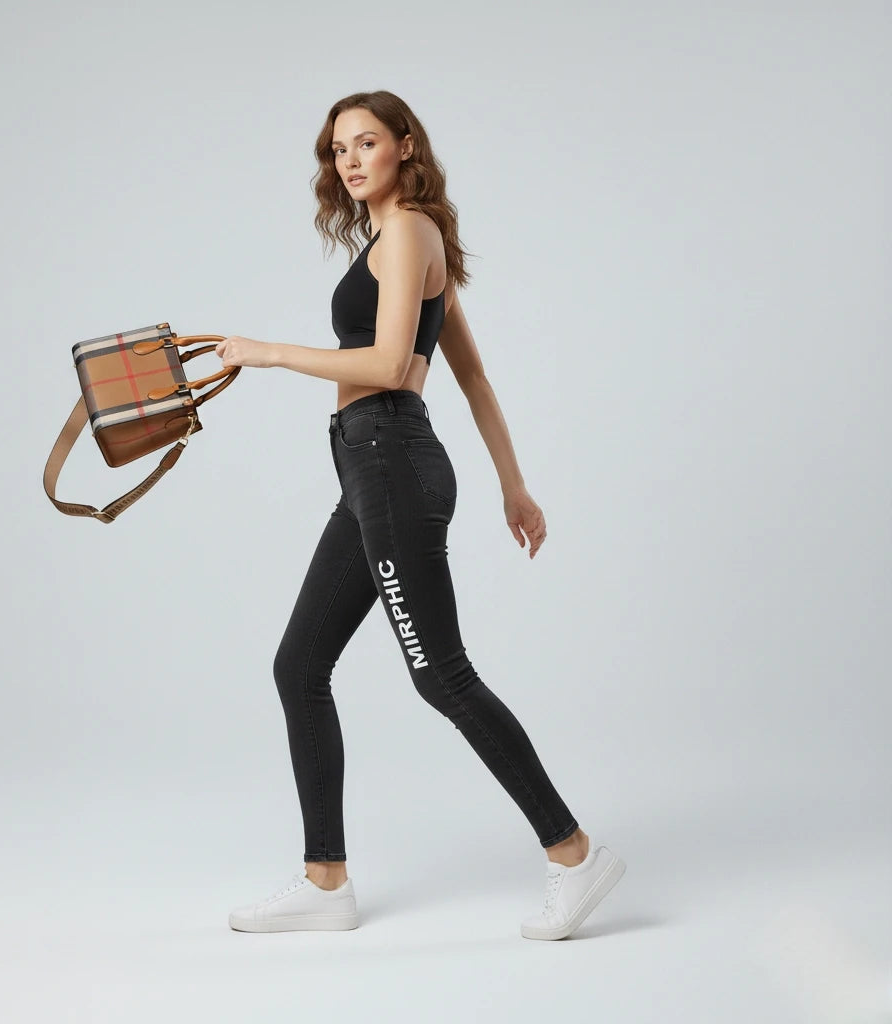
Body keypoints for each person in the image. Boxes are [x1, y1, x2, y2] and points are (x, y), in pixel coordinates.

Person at [214, 90, 625, 940]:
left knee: (441, 674)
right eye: (337, 150)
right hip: (371, 466)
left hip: (390, 459)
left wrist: (266, 352)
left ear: (406, 146)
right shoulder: (405, 239)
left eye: (367, 142)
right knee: (300, 666)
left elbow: (395, 362)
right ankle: (325, 882)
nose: (351, 160)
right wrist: (515, 485)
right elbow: (468, 375)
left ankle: (575, 854)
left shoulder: (407, 231)